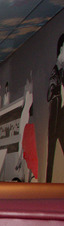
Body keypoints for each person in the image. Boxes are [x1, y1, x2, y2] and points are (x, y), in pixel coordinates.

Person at [46, 33, 64, 182]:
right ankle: (48, 184)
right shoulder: (56, 70)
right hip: (57, 117)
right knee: (51, 151)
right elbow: (49, 94)